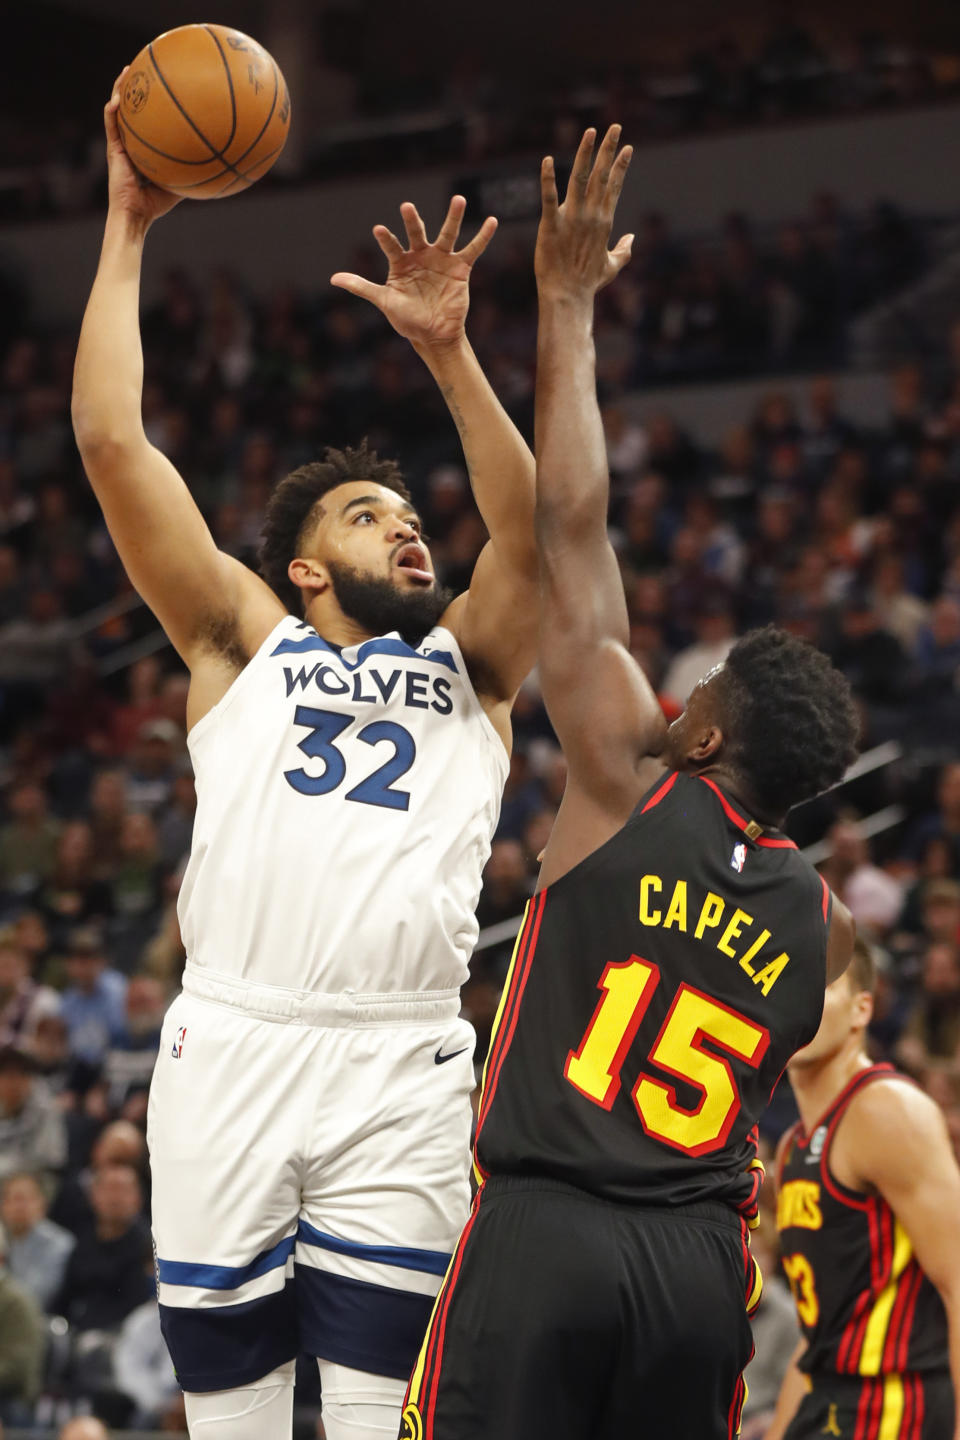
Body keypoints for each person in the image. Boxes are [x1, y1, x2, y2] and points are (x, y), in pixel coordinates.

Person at [72, 70, 537, 1440]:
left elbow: (540, 531)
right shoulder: (237, 643)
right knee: (235, 1421)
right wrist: (127, 225)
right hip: (233, 1042)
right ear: (300, 567)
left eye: (411, 517)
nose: (408, 531)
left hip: (399, 1062)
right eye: (367, 514)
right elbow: (110, 441)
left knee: (389, 1414)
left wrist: (452, 355)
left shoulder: (480, 665)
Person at [400, 126, 859, 1440]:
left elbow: (570, 527)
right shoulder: (814, 920)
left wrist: (566, 305)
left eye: (696, 698)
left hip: (550, 1234)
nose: (672, 700)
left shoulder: (625, 781)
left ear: (705, 742)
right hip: (696, 1273)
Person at [768, 939, 960, 1440]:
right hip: (828, 1398)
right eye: (786, 984)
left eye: (822, 984)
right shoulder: (791, 1147)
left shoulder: (885, 1109)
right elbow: (819, 1336)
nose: (800, 999)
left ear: (862, 1009)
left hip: (895, 1401)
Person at [1, 1170, 75, 1310]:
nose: (18, 1207)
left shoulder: (59, 1243)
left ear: (43, 1205)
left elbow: (34, 1298)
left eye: (24, 1199)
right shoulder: (10, 1242)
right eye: (12, 1199)